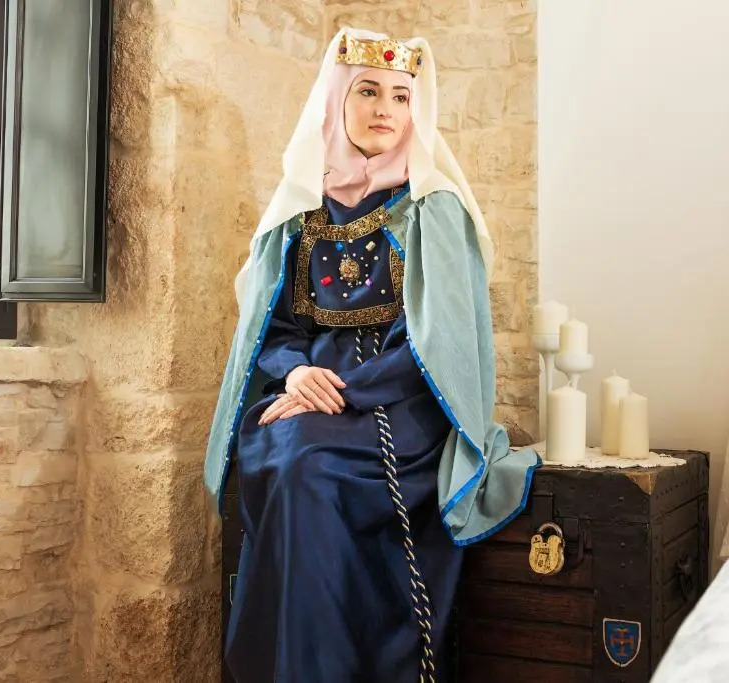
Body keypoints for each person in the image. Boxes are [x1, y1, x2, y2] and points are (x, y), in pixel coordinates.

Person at [202, 27, 541, 682]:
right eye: (368, 92)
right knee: (278, 453)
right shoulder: (301, 211)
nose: (386, 109)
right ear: (337, 99)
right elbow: (273, 328)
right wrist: (296, 375)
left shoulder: (433, 208)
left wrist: (344, 392)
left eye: (400, 96)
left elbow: (438, 342)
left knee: (308, 465)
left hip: (401, 401)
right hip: (308, 395)